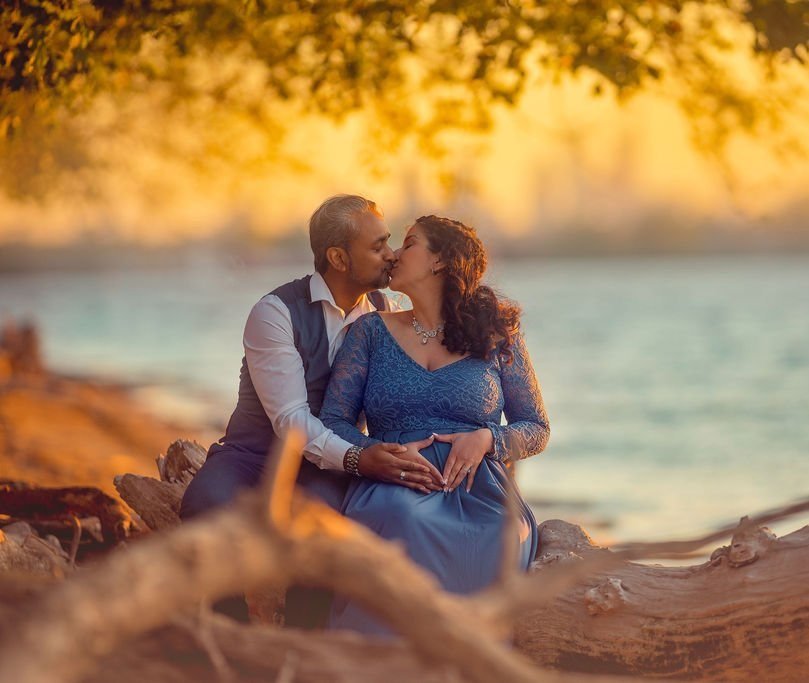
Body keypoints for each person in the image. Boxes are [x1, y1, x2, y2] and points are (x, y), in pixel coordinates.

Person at [179, 194, 445, 626]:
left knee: (324, 525)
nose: (392, 254)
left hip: (331, 467)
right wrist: (362, 457)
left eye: (390, 242)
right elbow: (290, 422)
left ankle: (306, 646)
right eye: (377, 246)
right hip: (255, 456)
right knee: (207, 504)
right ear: (338, 257)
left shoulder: (387, 312)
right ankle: (226, 637)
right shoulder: (274, 312)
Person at [319, 215, 550, 635]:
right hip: (394, 480)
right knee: (402, 519)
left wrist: (487, 438)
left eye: (408, 244)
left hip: (477, 488)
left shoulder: (497, 333)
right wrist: (375, 455)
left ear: (439, 261)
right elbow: (333, 419)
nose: (393, 255)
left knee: (501, 535)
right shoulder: (369, 331)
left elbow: (536, 427)